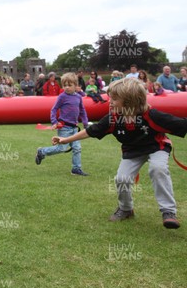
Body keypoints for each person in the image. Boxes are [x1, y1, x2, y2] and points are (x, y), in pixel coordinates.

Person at [52, 77, 186, 229]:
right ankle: (126, 209)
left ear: (130, 101)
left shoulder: (152, 116)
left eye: (114, 99)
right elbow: (90, 131)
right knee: (121, 179)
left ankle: (168, 212)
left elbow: (181, 124)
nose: (110, 102)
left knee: (158, 169)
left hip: (157, 147)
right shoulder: (113, 119)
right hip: (132, 151)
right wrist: (65, 139)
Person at [35, 72, 89, 176]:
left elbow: (82, 110)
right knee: (61, 148)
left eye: (70, 85)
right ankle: (42, 151)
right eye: (65, 85)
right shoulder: (62, 97)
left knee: (77, 148)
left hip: (74, 128)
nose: (67, 88)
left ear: (76, 85)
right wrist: (54, 122)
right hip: (64, 128)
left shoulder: (78, 97)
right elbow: (53, 110)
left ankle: (76, 169)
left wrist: (85, 123)